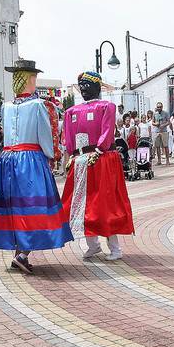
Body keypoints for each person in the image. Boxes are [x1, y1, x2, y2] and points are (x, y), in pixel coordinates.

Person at [0, 58, 71, 273]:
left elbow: (6, 134)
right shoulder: (39, 106)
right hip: (30, 159)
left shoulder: (5, 107)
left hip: (7, 160)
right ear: (30, 79)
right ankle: (23, 254)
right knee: (35, 206)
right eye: (33, 77)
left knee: (14, 206)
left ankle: (19, 254)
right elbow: (46, 135)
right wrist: (51, 157)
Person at [61, 71, 134, 260]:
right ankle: (92, 244)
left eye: (88, 84)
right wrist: (73, 155)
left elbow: (107, 132)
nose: (84, 88)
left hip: (101, 159)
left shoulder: (107, 107)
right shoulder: (71, 112)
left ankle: (115, 247)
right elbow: (69, 138)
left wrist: (99, 150)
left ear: (97, 87)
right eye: (81, 85)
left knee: (105, 203)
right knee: (83, 204)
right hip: (80, 160)